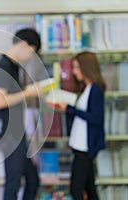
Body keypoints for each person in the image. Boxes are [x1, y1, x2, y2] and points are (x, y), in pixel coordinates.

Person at [0, 28, 41, 200]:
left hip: (16, 132)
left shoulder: (13, 66)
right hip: (9, 134)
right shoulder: (4, 65)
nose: (31, 57)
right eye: (32, 52)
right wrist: (28, 93)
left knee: (32, 180)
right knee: (14, 183)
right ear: (24, 45)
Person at [58, 51, 106, 200]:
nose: (74, 71)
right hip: (80, 145)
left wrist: (70, 109)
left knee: (76, 189)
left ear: (86, 68)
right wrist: (68, 110)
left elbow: (96, 118)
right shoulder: (87, 88)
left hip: (85, 148)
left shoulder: (95, 89)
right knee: (89, 188)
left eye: (77, 67)